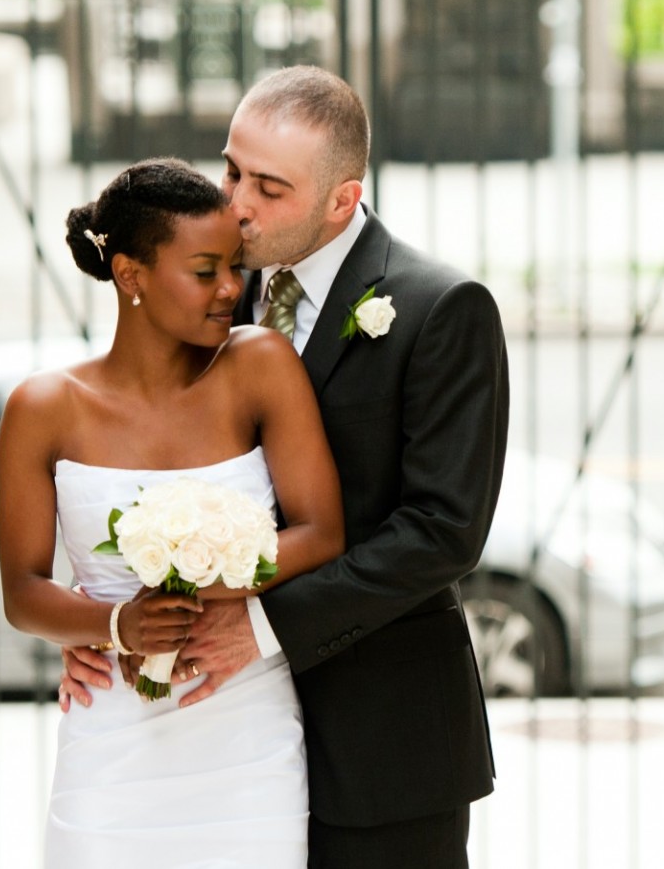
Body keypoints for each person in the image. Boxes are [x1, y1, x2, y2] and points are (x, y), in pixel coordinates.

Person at [60, 66, 511, 868]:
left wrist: (261, 627)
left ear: (342, 200)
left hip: (383, 746)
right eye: (232, 170)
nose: (236, 203)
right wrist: (107, 623)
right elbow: (146, 458)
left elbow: (443, 531)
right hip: (216, 745)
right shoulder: (204, 291)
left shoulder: (442, 308)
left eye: (269, 188)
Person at [0, 157, 345, 864]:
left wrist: (219, 585)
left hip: (248, 741)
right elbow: (23, 593)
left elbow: (322, 531)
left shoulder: (260, 365)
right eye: (205, 269)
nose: (231, 289)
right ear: (131, 275)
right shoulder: (43, 408)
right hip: (110, 749)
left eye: (235, 266)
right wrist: (116, 623)